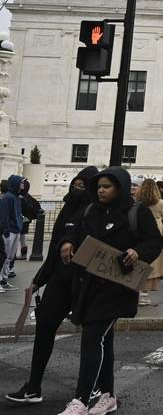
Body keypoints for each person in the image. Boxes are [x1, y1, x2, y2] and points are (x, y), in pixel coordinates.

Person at [55, 166, 163, 415]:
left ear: (120, 188)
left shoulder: (137, 212)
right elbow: (75, 230)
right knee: (103, 340)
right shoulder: (92, 210)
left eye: (107, 186)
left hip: (117, 285)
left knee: (92, 337)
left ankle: (81, 400)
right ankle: (108, 396)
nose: (101, 190)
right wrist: (68, 241)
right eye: (99, 186)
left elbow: (153, 241)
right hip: (90, 284)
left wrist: (138, 252)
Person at [7, 168, 98, 405]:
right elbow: (56, 248)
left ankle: (91, 390)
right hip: (59, 277)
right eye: (75, 184)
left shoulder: (93, 211)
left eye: (82, 185)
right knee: (45, 328)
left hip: (83, 281)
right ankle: (34, 385)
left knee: (93, 338)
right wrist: (40, 278)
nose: (77, 188)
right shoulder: (67, 208)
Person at [135, 179, 163, 304]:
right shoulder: (159, 202)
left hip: (140, 229)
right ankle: (145, 293)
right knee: (154, 262)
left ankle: (137, 290)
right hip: (156, 229)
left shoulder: (138, 200)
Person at [0, 175, 23, 287]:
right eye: (21, 183)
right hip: (9, 232)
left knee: (9, 258)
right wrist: (6, 231)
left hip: (15, 230)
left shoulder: (16, 197)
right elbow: (4, 216)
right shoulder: (8, 197)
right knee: (4, 257)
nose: (23, 185)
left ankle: (4, 280)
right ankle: (1, 281)